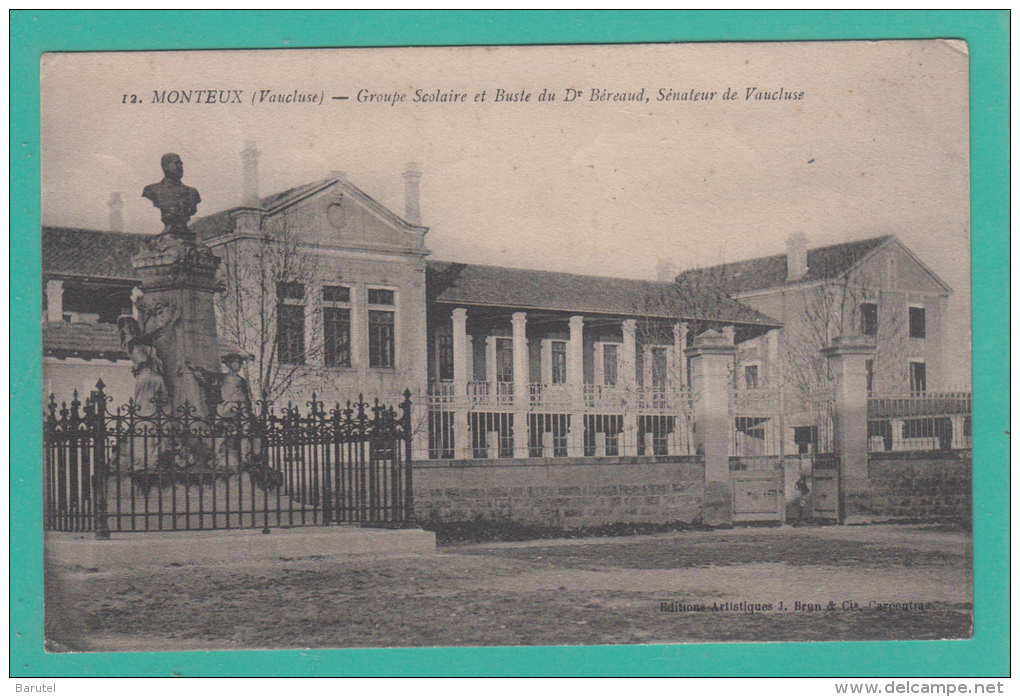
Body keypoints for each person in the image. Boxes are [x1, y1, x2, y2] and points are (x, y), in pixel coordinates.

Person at [142, 153, 201, 237]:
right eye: (177, 163)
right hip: (169, 233)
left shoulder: (192, 192)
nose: (180, 166)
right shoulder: (153, 190)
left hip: (188, 234)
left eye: (181, 164)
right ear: (166, 166)